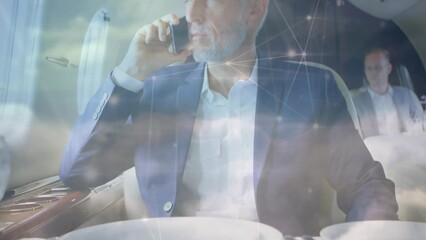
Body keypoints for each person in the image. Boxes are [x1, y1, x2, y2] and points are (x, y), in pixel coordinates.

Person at [60, 0, 398, 236]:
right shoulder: (154, 91)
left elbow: (367, 185)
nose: (191, 12)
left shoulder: (311, 89)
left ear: (254, 8)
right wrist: (129, 73)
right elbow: (77, 171)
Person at [352, 48, 424, 138]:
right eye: (369, 68)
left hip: (408, 149)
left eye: (378, 67)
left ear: (388, 68)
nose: (373, 72)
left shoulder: (407, 96)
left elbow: (422, 128)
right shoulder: (355, 104)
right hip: (375, 151)